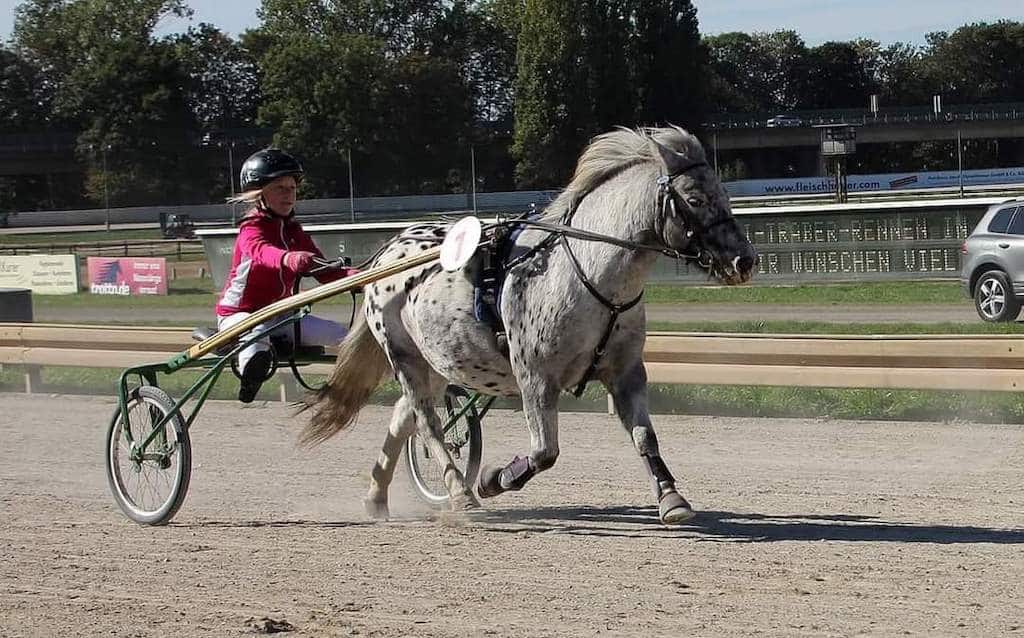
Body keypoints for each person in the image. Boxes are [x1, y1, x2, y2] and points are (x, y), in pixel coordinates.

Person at [216, 148, 360, 402]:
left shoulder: (295, 231)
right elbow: (262, 252)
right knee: (257, 332)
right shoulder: (251, 229)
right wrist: (288, 258)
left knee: (346, 337)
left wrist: (358, 278)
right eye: (280, 188)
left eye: (292, 188)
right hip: (240, 316)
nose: (289, 194)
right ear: (259, 193)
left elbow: (322, 270)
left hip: (283, 318)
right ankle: (250, 376)